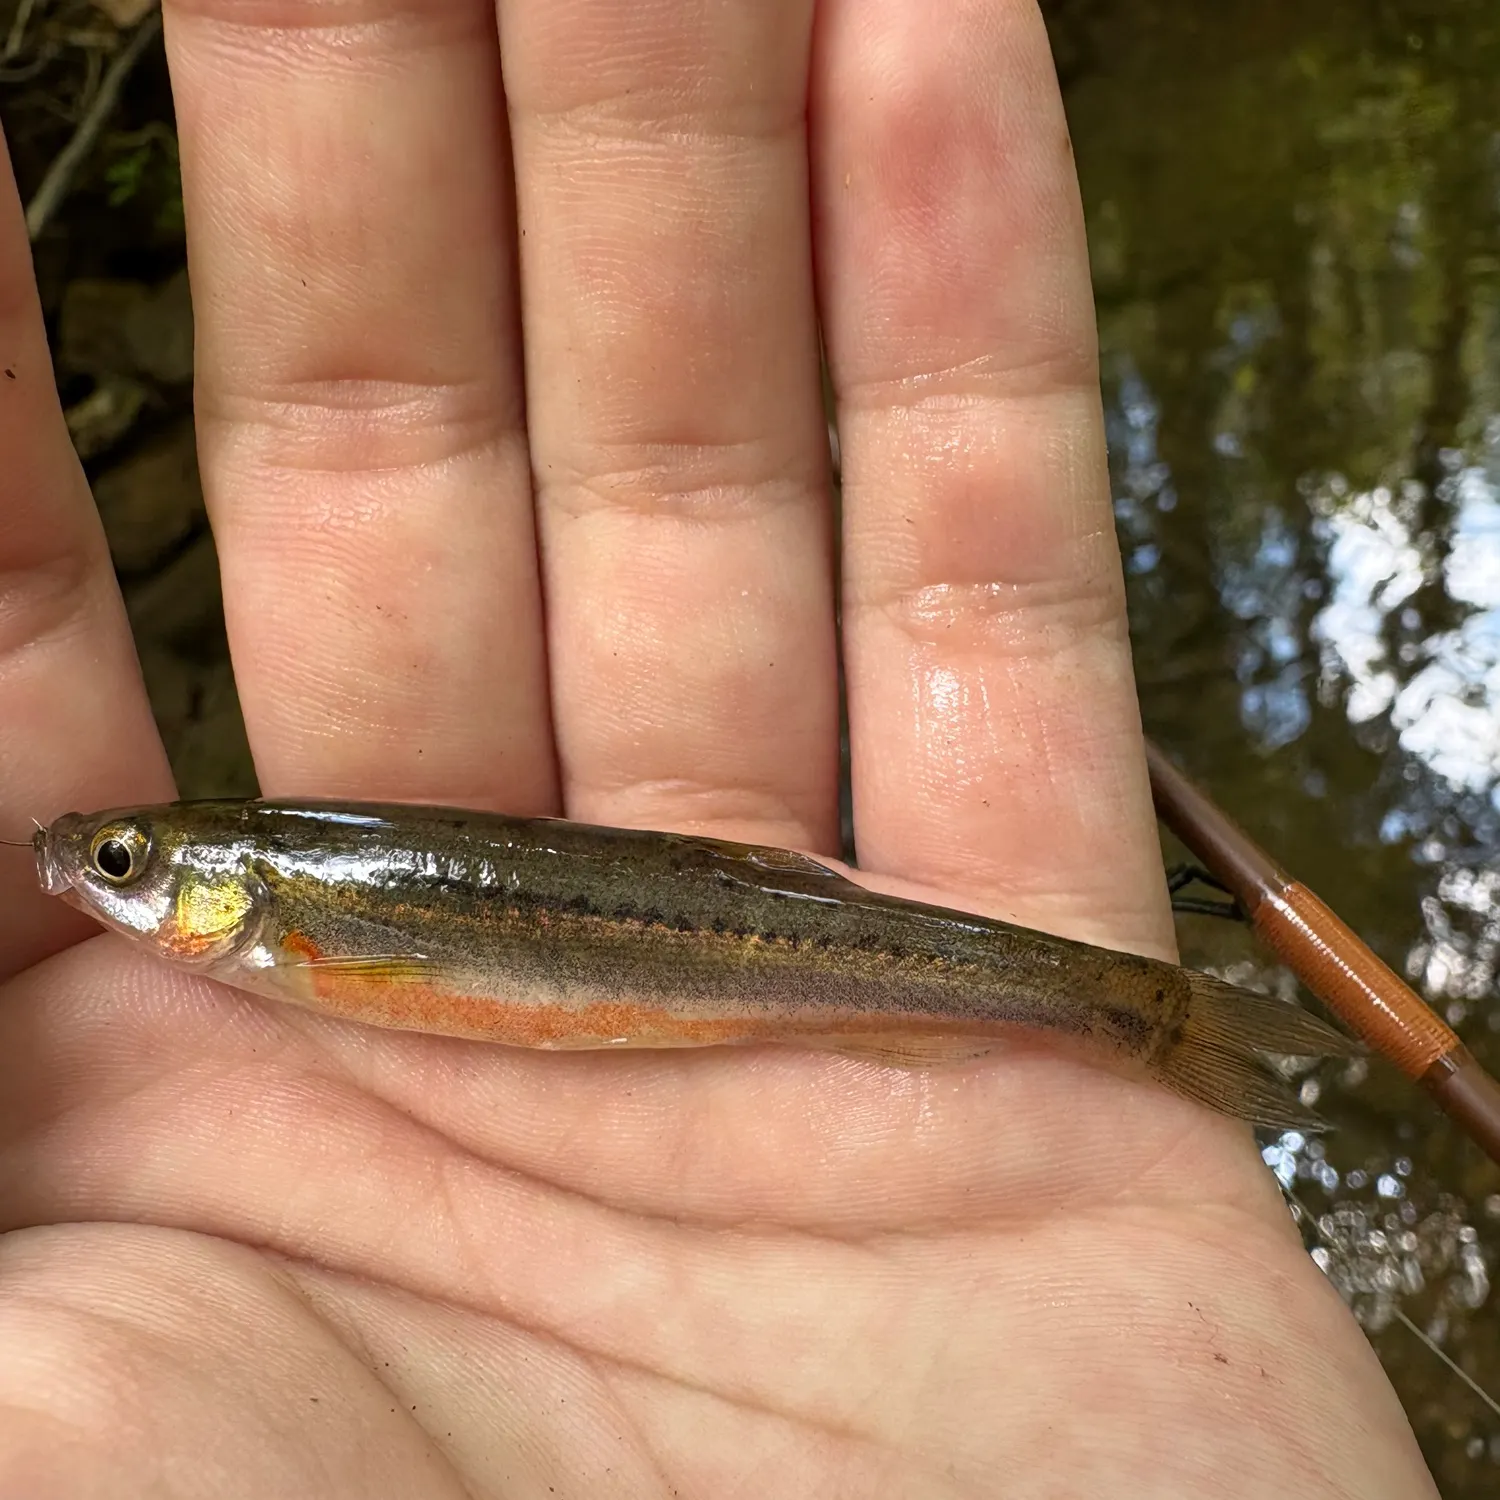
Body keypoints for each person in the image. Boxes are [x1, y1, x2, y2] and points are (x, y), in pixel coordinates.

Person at [0, 1, 1439, 1493]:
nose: (100, 879)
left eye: (125, 865)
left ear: (235, 887)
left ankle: (1134, 1012)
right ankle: (1136, 1014)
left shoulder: (283, 925)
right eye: (119, 861)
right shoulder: (269, 925)